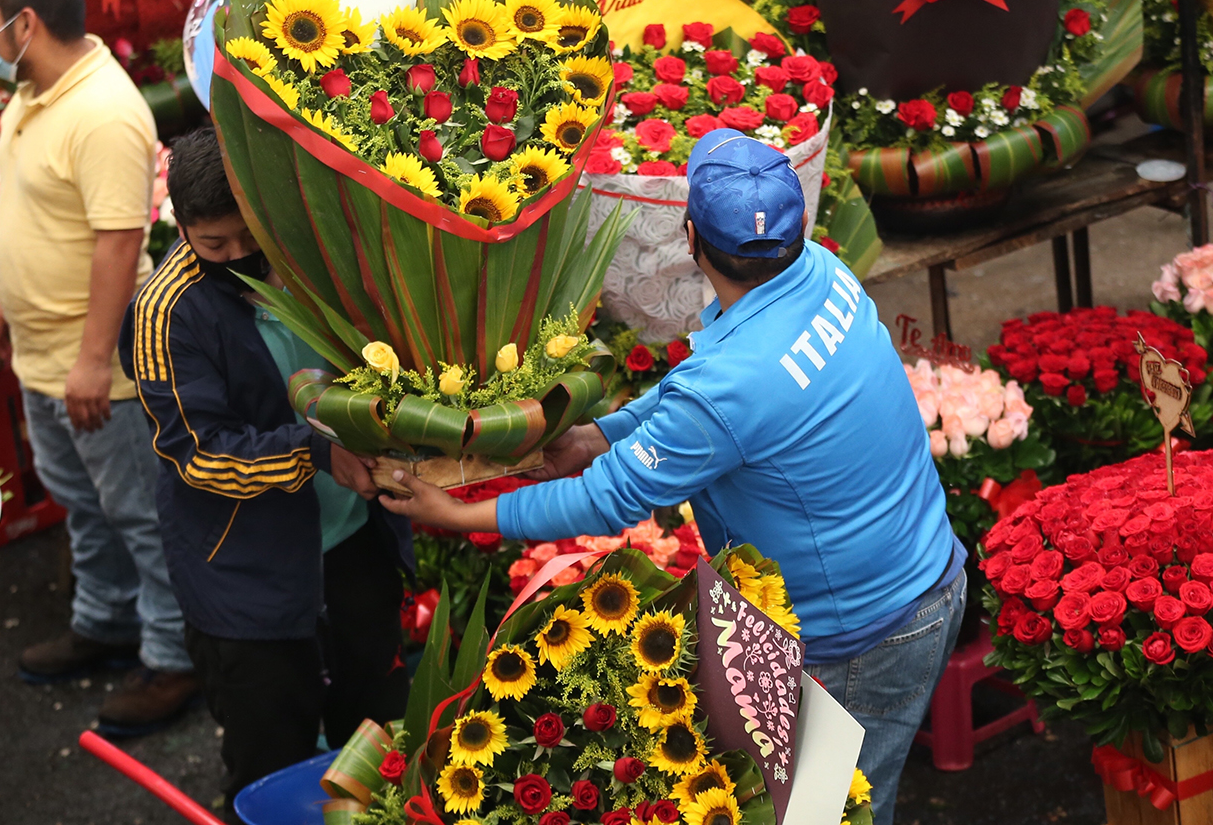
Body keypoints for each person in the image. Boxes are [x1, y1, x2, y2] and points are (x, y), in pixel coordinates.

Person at [375, 129, 963, 825]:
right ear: (797, 227)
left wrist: (457, 513)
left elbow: (616, 494)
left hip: (862, 632)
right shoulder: (820, 274)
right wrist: (600, 435)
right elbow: (702, 390)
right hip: (921, 577)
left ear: (690, 236)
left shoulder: (733, 384)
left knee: (829, 814)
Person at [120, 128, 412, 808]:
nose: (235, 256)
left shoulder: (316, 256)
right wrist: (317, 453)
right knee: (266, 762)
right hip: (244, 577)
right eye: (211, 244)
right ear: (180, 224)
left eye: (245, 236)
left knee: (375, 750)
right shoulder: (168, 311)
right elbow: (198, 455)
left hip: (352, 548)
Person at [0, 0, 196, 732]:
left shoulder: (104, 112)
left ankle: (172, 659)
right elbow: (33, 207)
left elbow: (118, 240)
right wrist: (3, 293)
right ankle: (105, 622)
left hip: (94, 366)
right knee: (83, 503)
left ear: (24, 22)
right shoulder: (33, 93)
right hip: (40, 354)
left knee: (138, 510)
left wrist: (96, 360)